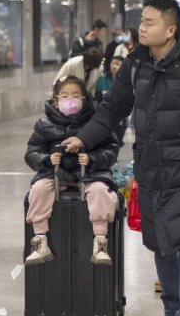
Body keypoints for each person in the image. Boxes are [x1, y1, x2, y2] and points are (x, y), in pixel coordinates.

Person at [61, 0, 180, 316]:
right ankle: (171, 315)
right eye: (141, 20)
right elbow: (112, 110)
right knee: (162, 243)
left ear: (170, 30)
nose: (142, 27)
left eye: (150, 22)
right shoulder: (137, 63)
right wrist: (84, 137)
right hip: (150, 168)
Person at [23, 76, 122, 266]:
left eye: (76, 96)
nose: (70, 100)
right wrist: (47, 160)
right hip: (56, 174)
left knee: (100, 191)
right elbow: (32, 153)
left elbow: (112, 149)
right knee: (39, 190)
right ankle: (40, 240)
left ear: (85, 99)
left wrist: (93, 159)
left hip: (90, 174)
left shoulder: (97, 123)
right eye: (65, 96)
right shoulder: (44, 125)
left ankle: (100, 241)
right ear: (56, 100)